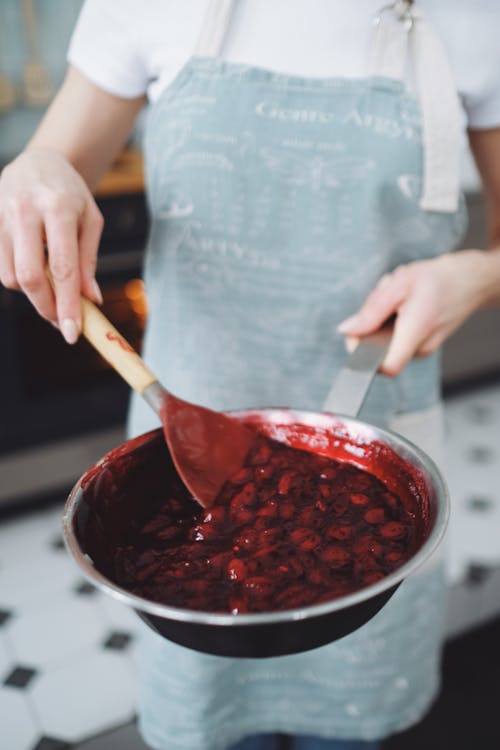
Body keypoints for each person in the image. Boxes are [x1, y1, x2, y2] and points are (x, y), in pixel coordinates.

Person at [1, 1, 500, 749]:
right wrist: (37, 169)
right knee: (212, 723)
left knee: (349, 724)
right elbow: (57, 163)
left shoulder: (471, 19)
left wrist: (481, 274)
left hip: (375, 414)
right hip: (180, 439)